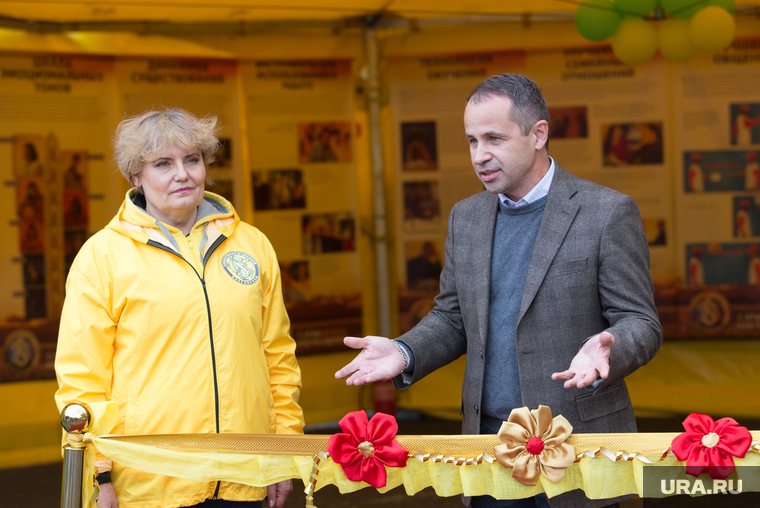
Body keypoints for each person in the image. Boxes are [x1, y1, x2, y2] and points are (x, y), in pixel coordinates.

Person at [336, 74, 662, 508]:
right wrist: (406, 351)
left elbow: (641, 322)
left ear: (538, 134)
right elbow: (453, 317)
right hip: (489, 447)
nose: (479, 155)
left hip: (581, 447)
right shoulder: (464, 218)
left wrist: (610, 349)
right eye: (471, 141)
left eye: (493, 138)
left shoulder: (607, 212)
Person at [55, 108, 304, 508]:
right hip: (150, 484)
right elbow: (82, 377)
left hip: (244, 475)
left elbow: (277, 356)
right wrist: (98, 472)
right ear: (136, 175)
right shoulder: (101, 257)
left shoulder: (253, 244)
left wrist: (283, 450)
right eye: (162, 164)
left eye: (192, 160)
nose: (182, 174)